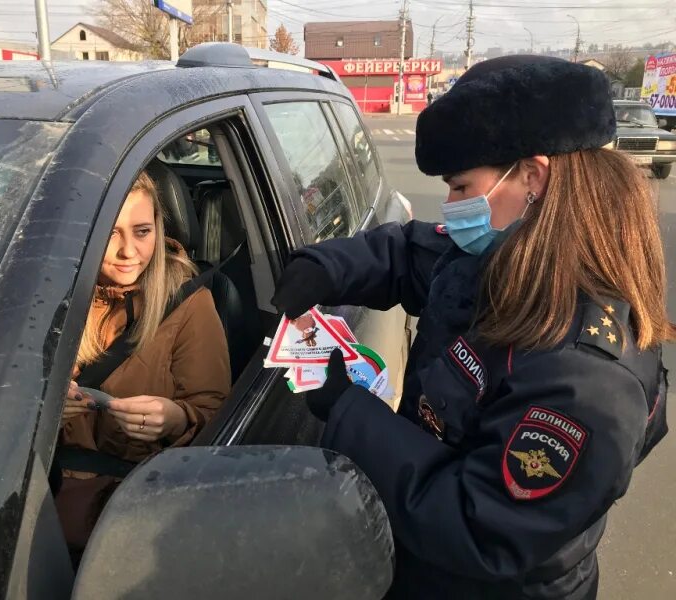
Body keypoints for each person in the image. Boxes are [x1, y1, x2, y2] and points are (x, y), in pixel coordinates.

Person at [272, 55, 672, 599]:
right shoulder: (512, 255)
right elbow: (412, 252)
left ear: (533, 176)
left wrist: (346, 408)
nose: (451, 205)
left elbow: (477, 525)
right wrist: (324, 267)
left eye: (461, 187)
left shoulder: (585, 376)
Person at [56, 170, 231, 553]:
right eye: (110, 232)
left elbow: (215, 410)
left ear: (158, 226)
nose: (128, 252)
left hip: (141, 500)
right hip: (48, 492)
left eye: (141, 231)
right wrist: (46, 409)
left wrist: (177, 417)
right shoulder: (49, 292)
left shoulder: (187, 302)